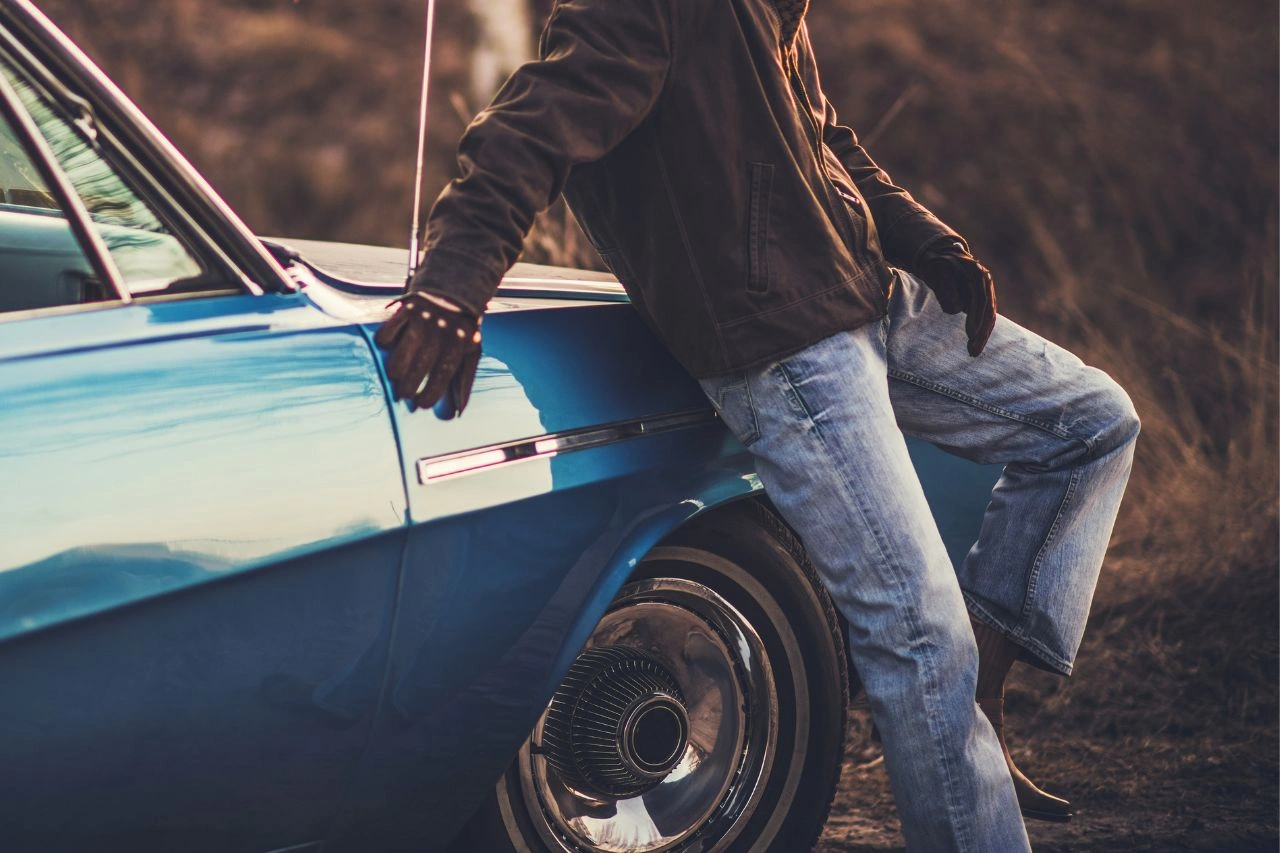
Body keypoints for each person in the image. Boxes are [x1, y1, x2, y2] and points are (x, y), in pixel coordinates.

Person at [372, 0, 1140, 848]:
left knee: (1091, 422)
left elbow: (821, 137)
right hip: (788, 345)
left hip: (871, 295)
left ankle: (974, 696)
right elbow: (526, 133)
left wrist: (923, 239)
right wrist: (451, 284)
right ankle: (950, 722)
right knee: (920, 636)